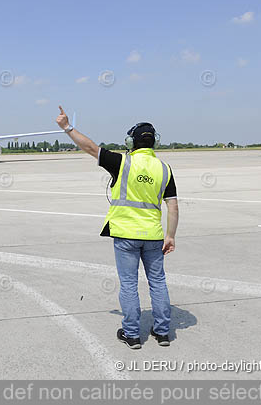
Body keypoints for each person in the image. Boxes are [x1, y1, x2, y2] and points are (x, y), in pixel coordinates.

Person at [55, 106, 179, 349]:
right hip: (154, 236)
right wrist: (170, 236)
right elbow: (172, 207)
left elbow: (91, 148)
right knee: (158, 282)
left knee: (129, 284)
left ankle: (132, 334)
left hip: (125, 235)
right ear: (154, 142)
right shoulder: (164, 169)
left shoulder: (122, 162)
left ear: (131, 141)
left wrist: (67, 127)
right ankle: (163, 332)